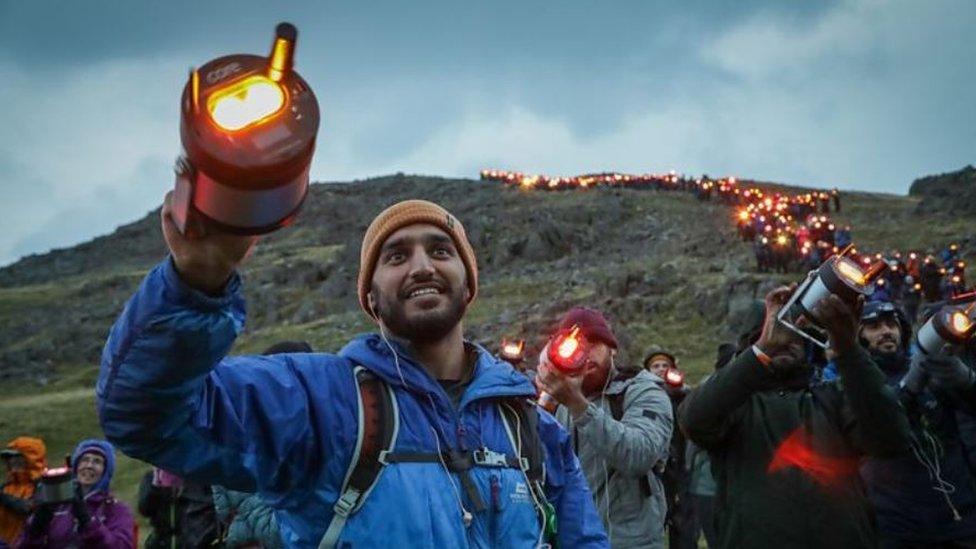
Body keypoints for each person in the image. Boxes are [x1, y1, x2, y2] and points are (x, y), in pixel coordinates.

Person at [97, 198, 608, 547]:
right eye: (396, 256)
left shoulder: (531, 429)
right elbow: (146, 414)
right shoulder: (320, 402)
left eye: (441, 250)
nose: (422, 266)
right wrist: (195, 282)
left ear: (468, 284)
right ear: (370, 297)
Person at [679, 286, 911, 548]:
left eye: (794, 334)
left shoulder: (832, 395)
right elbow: (694, 420)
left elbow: (892, 438)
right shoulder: (737, 406)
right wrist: (763, 349)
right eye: (775, 333)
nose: (785, 340)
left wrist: (849, 350)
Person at [539, 308, 672, 548]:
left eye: (592, 343)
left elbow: (640, 455)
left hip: (631, 541)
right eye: (573, 347)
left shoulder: (643, 390)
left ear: (612, 349)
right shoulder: (559, 402)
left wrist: (578, 405)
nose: (584, 354)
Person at [857, 301, 976, 547]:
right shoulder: (850, 383)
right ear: (860, 337)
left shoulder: (934, 370)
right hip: (897, 521)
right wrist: (908, 389)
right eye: (874, 327)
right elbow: (880, 424)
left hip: (959, 513)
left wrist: (965, 380)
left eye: (891, 324)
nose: (886, 331)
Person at [18, 439, 135, 548]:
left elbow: (122, 546)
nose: (89, 466)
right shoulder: (56, 505)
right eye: (85, 460)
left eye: (97, 462)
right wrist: (35, 528)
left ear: (106, 472)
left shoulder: (115, 509)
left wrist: (89, 523)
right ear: (75, 466)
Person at [642, 347, 693, 549]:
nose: (661, 369)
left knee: (683, 523)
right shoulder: (640, 394)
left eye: (665, 366)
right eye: (656, 366)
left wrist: (680, 392)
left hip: (681, 465)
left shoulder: (683, 395)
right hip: (654, 467)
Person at [138, 467, 221, 549]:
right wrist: (155, 487)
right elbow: (144, 510)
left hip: (195, 541)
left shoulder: (198, 478)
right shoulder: (151, 478)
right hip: (162, 541)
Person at [0, 438, 46, 545]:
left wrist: (2, 497)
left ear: (30, 459)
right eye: (9, 457)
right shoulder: (7, 486)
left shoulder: (43, 485)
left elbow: (30, 508)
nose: (12, 460)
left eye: (17, 456)